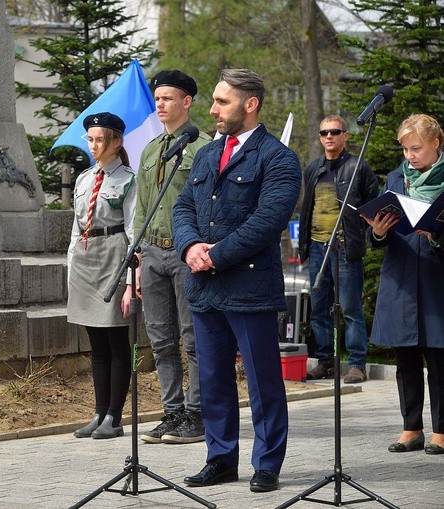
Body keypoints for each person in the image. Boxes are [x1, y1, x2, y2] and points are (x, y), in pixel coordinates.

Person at [172, 68, 301, 492]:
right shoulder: (208, 154)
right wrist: (191, 247)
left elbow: (267, 222)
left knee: (263, 381)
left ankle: (266, 463)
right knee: (212, 379)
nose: (212, 109)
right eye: (213, 100)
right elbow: (183, 207)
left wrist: (215, 256)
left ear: (250, 105)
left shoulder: (278, 158)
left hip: (249, 288)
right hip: (206, 289)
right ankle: (221, 457)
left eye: (221, 101)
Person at [134, 70, 212, 445]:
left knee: (193, 338)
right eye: (157, 98)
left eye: (168, 98)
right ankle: (172, 412)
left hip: (186, 253)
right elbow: (142, 207)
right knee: (161, 339)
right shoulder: (150, 150)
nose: (161, 104)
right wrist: (134, 255)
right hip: (151, 252)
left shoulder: (204, 149)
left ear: (187, 102)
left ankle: (197, 415)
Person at [363, 113, 444, 456]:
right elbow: (381, 231)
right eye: (405, 149)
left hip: (437, 275)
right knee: (405, 355)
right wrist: (377, 231)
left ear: (435, 144)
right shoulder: (397, 178)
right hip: (400, 276)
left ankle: (441, 431)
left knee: (439, 357)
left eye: (416, 148)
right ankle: (412, 427)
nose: (410, 156)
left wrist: (437, 234)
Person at [68, 112, 136, 440]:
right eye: (91, 140)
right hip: (85, 257)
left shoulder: (128, 180)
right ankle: (98, 411)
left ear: (117, 142)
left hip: (114, 255)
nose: (94, 146)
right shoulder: (84, 179)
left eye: (100, 140)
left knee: (115, 338)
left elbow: (135, 232)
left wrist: (130, 282)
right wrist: (71, 267)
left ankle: (114, 416)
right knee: (96, 342)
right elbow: (75, 228)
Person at [299, 115, 379, 384]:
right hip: (318, 247)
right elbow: (306, 208)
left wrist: (360, 235)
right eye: (324, 133)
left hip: (345, 247)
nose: (329, 136)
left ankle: (357, 364)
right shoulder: (312, 169)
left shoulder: (358, 167)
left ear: (346, 135)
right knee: (319, 308)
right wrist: (305, 246)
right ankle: (325, 361)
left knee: (350, 307)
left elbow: (373, 208)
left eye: (335, 131)